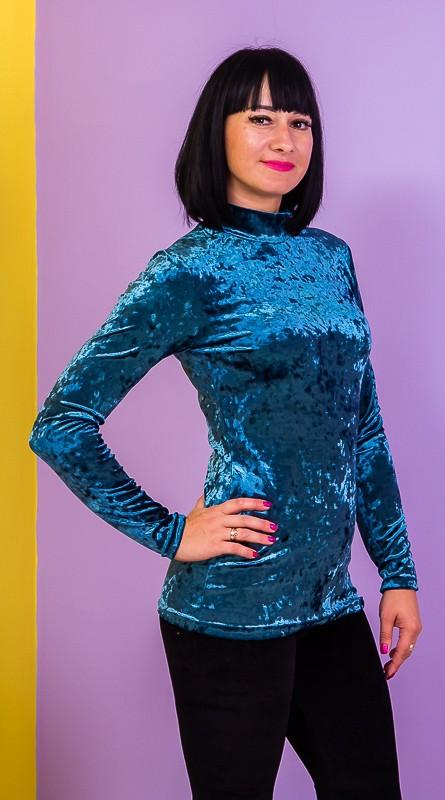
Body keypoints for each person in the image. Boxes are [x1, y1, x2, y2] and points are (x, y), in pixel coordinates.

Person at [29, 45, 423, 800]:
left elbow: (363, 429)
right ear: (218, 131)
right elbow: (62, 423)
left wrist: (397, 574)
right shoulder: (189, 270)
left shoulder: (331, 258)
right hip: (229, 609)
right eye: (261, 118)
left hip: (330, 601)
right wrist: (171, 533)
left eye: (300, 122)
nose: (285, 140)